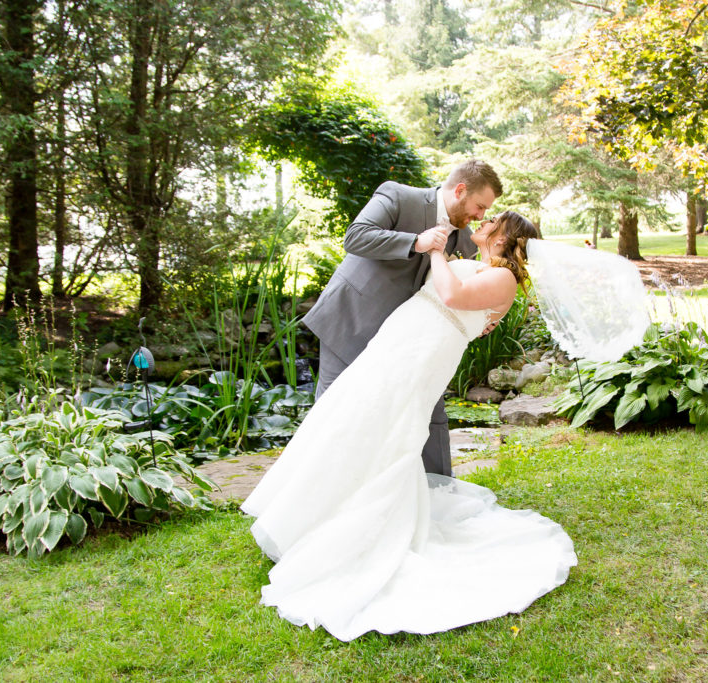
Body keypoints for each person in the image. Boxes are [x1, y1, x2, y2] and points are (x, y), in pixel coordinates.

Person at [242, 212, 577, 641]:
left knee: (386, 430)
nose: (484, 219)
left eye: (493, 219)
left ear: (504, 235)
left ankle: (360, 533)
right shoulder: (481, 266)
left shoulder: (505, 279)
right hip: (403, 339)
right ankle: (312, 517)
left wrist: (436, 250)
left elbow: (452, 295)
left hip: (422, 353)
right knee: (353, 421)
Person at [303, 160, 503, 478]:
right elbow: (355, 236)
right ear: (461, 190)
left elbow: (457, 289)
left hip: (408, 342)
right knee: (334, 414)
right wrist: (415, 243)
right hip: (351, 322)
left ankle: (437, 493)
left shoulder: (466, 240)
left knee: (430, 410)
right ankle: (316, 493)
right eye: (480, 206)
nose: (480, 216)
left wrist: (483, 317)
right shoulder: (398, 196)